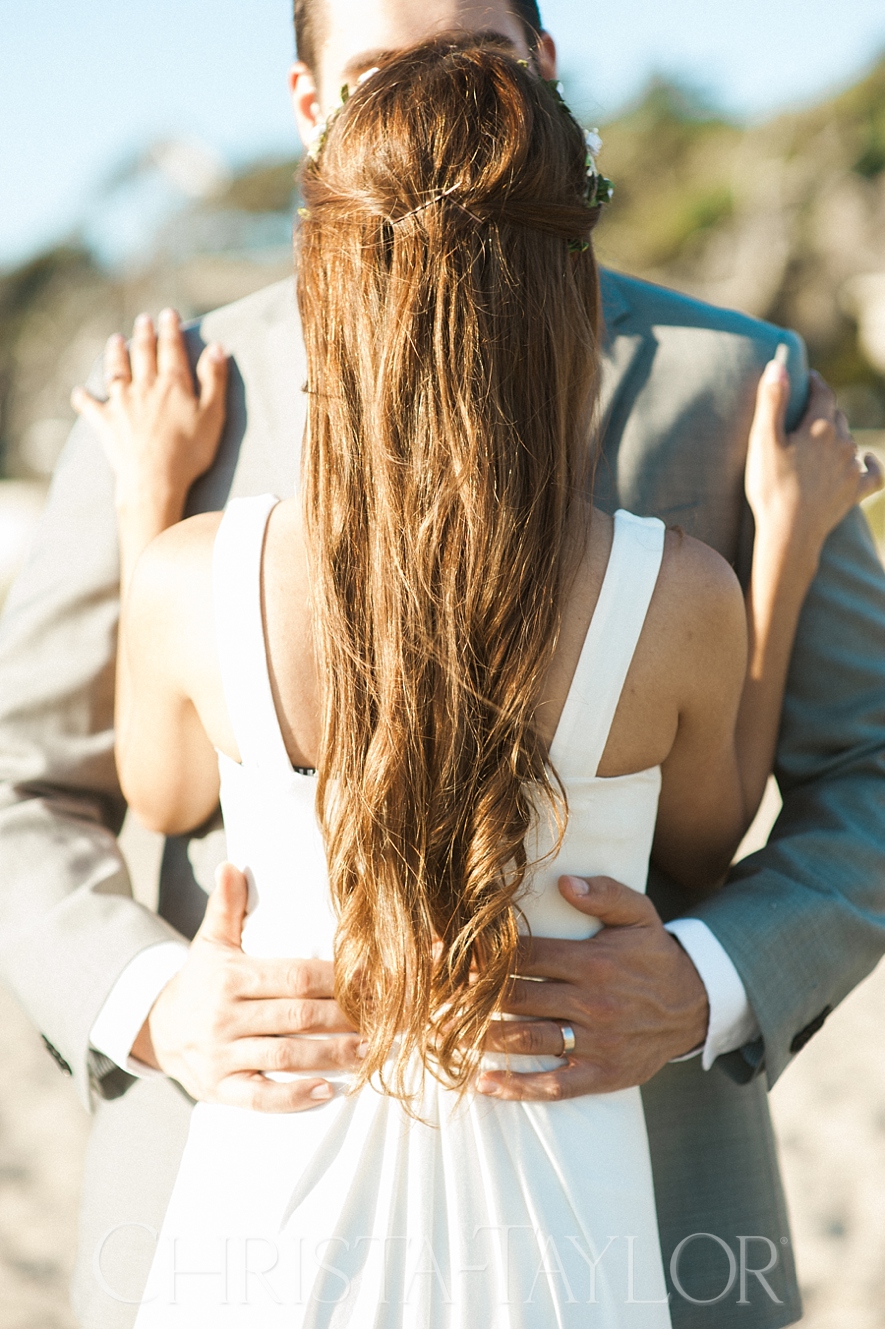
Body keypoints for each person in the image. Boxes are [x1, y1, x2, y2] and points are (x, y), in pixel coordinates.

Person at [0, 2, 881, 1326]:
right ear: (310, 111)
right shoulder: (178, 387)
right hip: (232, 1171)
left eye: (477, 59)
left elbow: (866, 771)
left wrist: (710, 974)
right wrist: (149, 999)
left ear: (547, 78)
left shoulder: (736, 387)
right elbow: (25, 785)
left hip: (643, 1191)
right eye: (383, 76)